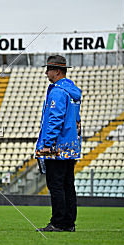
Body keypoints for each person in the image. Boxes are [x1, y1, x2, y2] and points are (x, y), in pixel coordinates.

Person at [35, 55, 82, 232]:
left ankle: (58, 222)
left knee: (56, 185)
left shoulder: (57, 91)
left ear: (57, 71)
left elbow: (55, 118)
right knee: (68, 184)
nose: (46, 73)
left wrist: (47, 142)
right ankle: (69, 222)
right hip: (71, 145)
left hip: (56, 146)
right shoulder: (72, 91)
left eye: (48, 70)